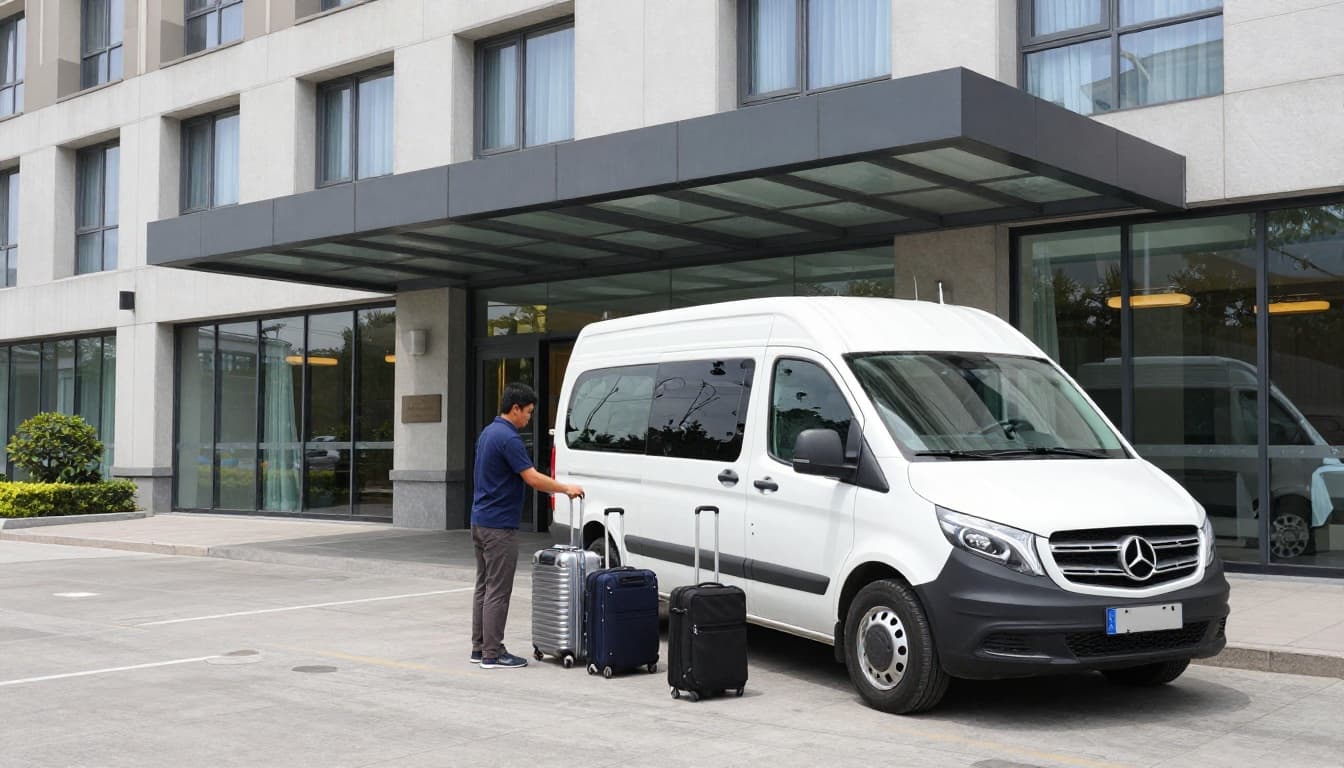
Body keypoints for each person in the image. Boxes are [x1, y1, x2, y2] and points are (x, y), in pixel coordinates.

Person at [470, 382, 583, 669]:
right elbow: (532, 478)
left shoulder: (488, 433)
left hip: (480, 521)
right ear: (515, 408)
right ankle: (492, 654)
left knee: (484, 586)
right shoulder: (508, 438)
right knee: (498, 590)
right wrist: (565, 488)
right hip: (498, 527)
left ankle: (480, 647)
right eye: (528, 413)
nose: (529, 418)